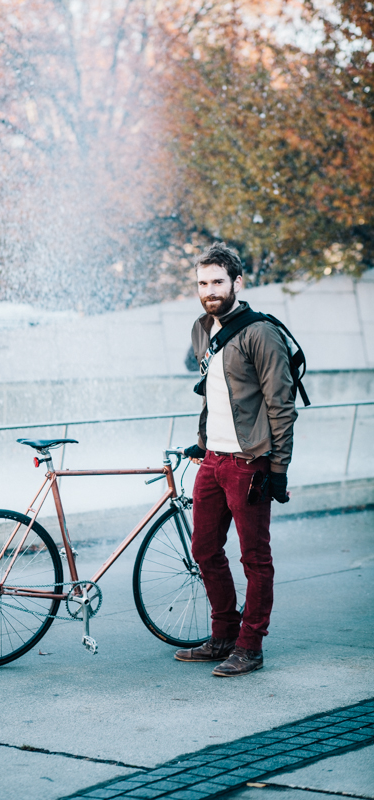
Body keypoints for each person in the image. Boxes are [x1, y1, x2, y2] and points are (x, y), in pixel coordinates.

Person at [175, 241, 297, 676]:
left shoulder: (260, 333)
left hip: (250, 464)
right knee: (204, 549)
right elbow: (214, 395)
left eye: (217, 282)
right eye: (202, 283)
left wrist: (278, 470)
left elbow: (281, 406)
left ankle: (250, 645)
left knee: (254, 558)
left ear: (237, 282)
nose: (209, 290)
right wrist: (203, 441)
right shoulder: (200, 329)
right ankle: (223, 635)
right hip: (213, 461)